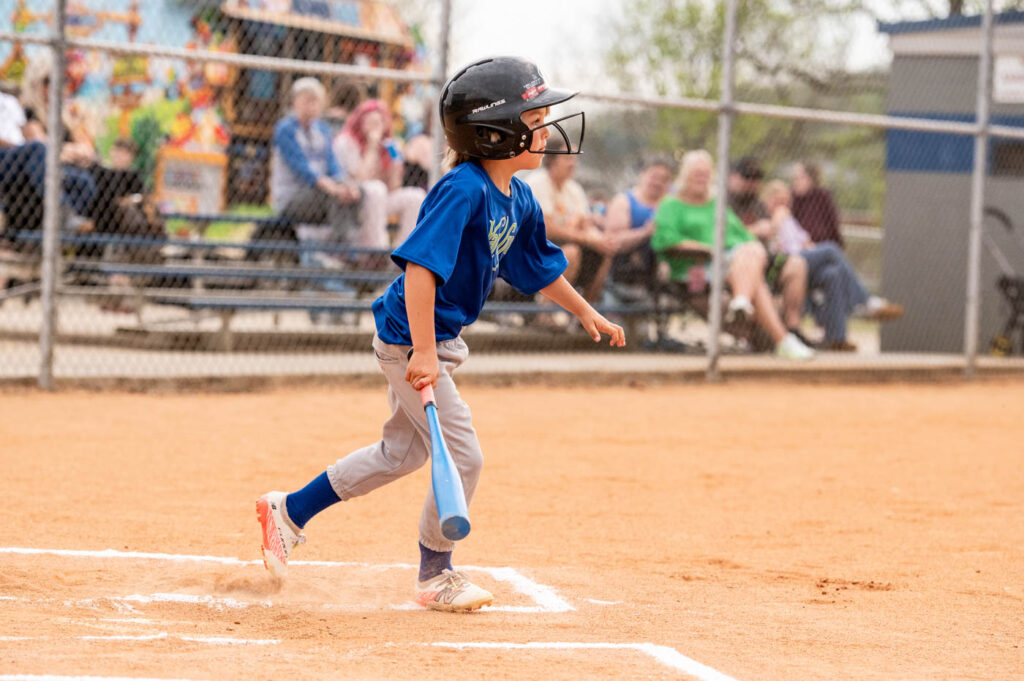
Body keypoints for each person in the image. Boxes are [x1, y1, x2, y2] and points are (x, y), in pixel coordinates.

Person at [256, 57, 624, 612]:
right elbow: (420, 271)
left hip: (434, 339)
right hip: (411, 338)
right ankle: (436, 573)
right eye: (534, 120)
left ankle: (288, 512)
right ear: (494, 133)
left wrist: (584, 311)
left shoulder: (519, 197)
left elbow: (537, 267)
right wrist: (424, 351)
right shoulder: (463, 189)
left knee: (398, 455)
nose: (547, 131)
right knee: (463, 454)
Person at [651, 150, 814, 360]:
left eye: (705, 174)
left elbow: (744, 236)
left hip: (729, 265)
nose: (702, 178)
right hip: (694, 269)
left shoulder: (715, 204)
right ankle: (775, 332)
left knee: (753, 250)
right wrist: (707, 249)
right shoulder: (671, 204)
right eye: (697, 173)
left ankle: (743, 303)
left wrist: (757, 240)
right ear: (685, 175)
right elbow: (665, 240)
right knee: (754, 276)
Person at [762, 180, 904, 350]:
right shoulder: (765, 216)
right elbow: (770, 241)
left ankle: (836, 338)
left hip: (804, 260)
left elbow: (806, 242)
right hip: (785, 263)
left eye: (786, 201)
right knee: (831, 249)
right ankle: (865, 302)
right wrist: (777, 221)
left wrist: (810, 247)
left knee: (832, 273)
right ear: (768, 200)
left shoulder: (790, 220)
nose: (783, 205)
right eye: (778, 201)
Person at [269, 77, 361, 247]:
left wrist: (345, 185)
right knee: (335, 195)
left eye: (315, 100)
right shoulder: (285, 129)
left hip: (322, 192)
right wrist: (332, 187)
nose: (311, 105)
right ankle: (340, 248)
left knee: (355, 192)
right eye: (306, 100)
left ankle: (348, 245)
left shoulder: (322, 129)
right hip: (292, 197)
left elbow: (333, 165)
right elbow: (302, 169)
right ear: (295, 102)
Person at [527, 140, 616, 302]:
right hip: (534, 247)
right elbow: (546, 227)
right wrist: (587, 238)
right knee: (569, 253)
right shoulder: (537, 183)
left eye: (574, 159)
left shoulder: (574, 189)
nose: (573, 164)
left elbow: (585, 223)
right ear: (552, 160)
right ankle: (546, 311)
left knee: (604, 251)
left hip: (568, 243)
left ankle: (587, 310)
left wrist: (601, 240)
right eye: (567, 158)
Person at [332, 99, 426, 248]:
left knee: (416, 196)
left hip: (379, 199)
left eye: (379, 122)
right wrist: (372, 145)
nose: (375, 127)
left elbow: (394, 187)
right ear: (360, 122)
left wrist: (394, 161)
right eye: (370, 122)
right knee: (376, 189)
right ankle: (376, 251)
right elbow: (362, 179)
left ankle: (405, 251)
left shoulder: (387, 144)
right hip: (355, 198)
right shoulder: (346, 141)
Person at [603, 157, 674, 291]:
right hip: (623, 274)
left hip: (661, 278)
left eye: (664, 179)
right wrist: (645, 232)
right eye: (654, 177)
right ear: (643, 175)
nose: (658, 183)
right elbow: (611, 241)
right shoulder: (624, 201)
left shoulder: (672, 205)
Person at [790, 161, 844, 248]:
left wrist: (838, 245)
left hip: (822, 244)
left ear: (811, 178)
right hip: (799, 246)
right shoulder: (791, 198)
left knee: (831, 249)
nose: (795, 182)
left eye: (799, 178)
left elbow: (832, 223)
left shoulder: (822, 196)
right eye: (794, 179)